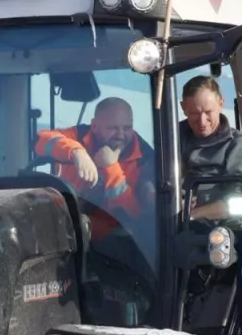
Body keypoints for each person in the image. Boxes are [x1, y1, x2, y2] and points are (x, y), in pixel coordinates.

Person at [33, 96, 154, 239]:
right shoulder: (79, 136)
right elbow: (41, 140)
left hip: (112, 245)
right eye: (113, 128)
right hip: (60, 226)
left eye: (127, 128)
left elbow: (134, 215)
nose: (121, 135)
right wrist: (76, 152)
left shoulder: (145, 159)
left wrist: (111, 168)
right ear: (95, 126)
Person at [179, 76, 242, 220]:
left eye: (208, 112)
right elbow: (151, 180)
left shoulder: (238, 145)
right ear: (183, 108)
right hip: (167, 226)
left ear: (221, 104)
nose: (202, 121)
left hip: (220, 230)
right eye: (195, 113)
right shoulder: (171, 138)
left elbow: (240, 200)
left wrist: (192, 215)